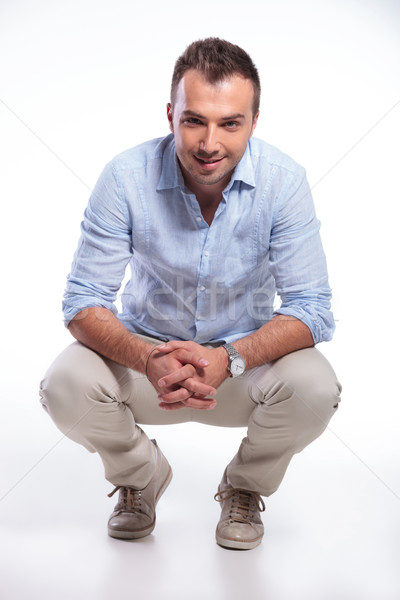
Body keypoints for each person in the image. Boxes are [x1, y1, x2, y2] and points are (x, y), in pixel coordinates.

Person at [39, 38, 341, 551]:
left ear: (254, 120)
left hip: (240, 371)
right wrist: (148, 356)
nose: (209, 143)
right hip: (148, 367)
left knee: (315, 388)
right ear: (170, 115)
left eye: (230, 123)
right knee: (64, 384)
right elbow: (82, 301)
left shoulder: (284, 182)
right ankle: (141, 474)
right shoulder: (125, 177)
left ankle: (244, 487)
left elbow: (312, 310)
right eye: (194, 120)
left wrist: (231, 358)